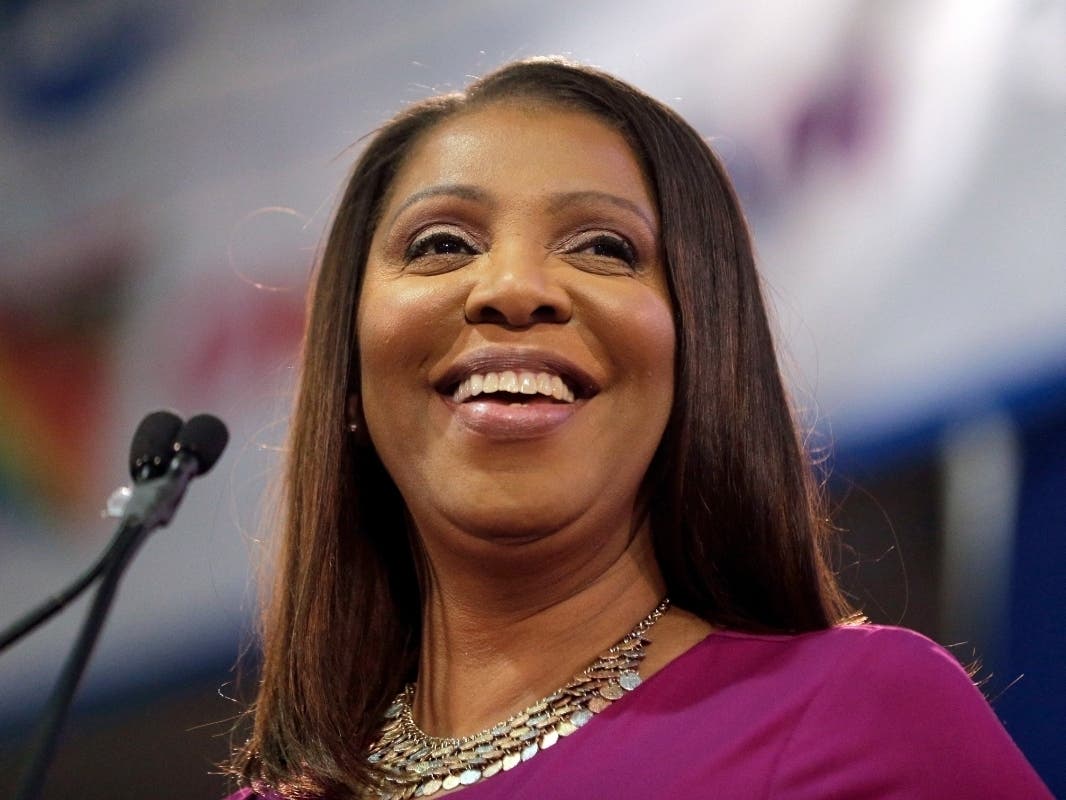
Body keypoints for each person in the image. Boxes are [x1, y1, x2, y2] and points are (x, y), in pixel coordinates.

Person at [225, 58, 1051, 799]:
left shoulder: (854, 715)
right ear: (350, 369)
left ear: (700, 359)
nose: (513, 287)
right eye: (443, 244)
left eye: (603, 247)